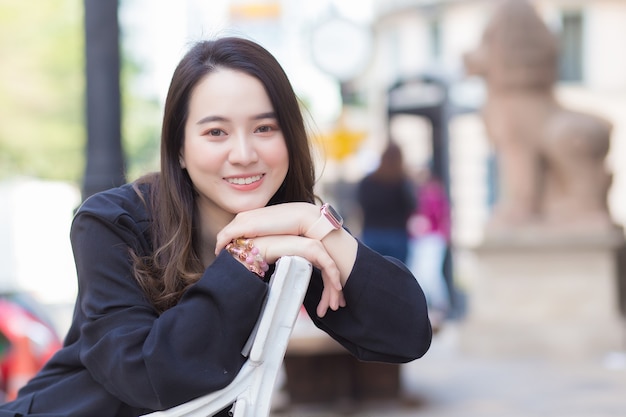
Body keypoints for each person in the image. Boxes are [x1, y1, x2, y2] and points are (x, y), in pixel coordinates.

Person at [0, 37, 432, 417]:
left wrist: (313, 222)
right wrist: (247, 256)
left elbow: (406, 334)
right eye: (216, 133)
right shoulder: (113, 223)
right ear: (180, 150)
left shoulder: (292, 227)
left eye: (265, 127)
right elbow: (145, 378)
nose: (244, 153)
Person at [356, 141, 416, 263]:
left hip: (372, 233)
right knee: (397, 277)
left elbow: (361, 204)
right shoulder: (402, 182)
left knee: (372, 276)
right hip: (396, 234)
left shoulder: (368, 182)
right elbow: (412, 205)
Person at [406, 168, 452, 327]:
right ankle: (435, 306)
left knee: (429, 274)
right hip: (424, 239)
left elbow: (437, 218)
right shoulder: (422, 192)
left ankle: (438, 306)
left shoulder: (431, 193)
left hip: (431, 239)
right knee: (424, 274)